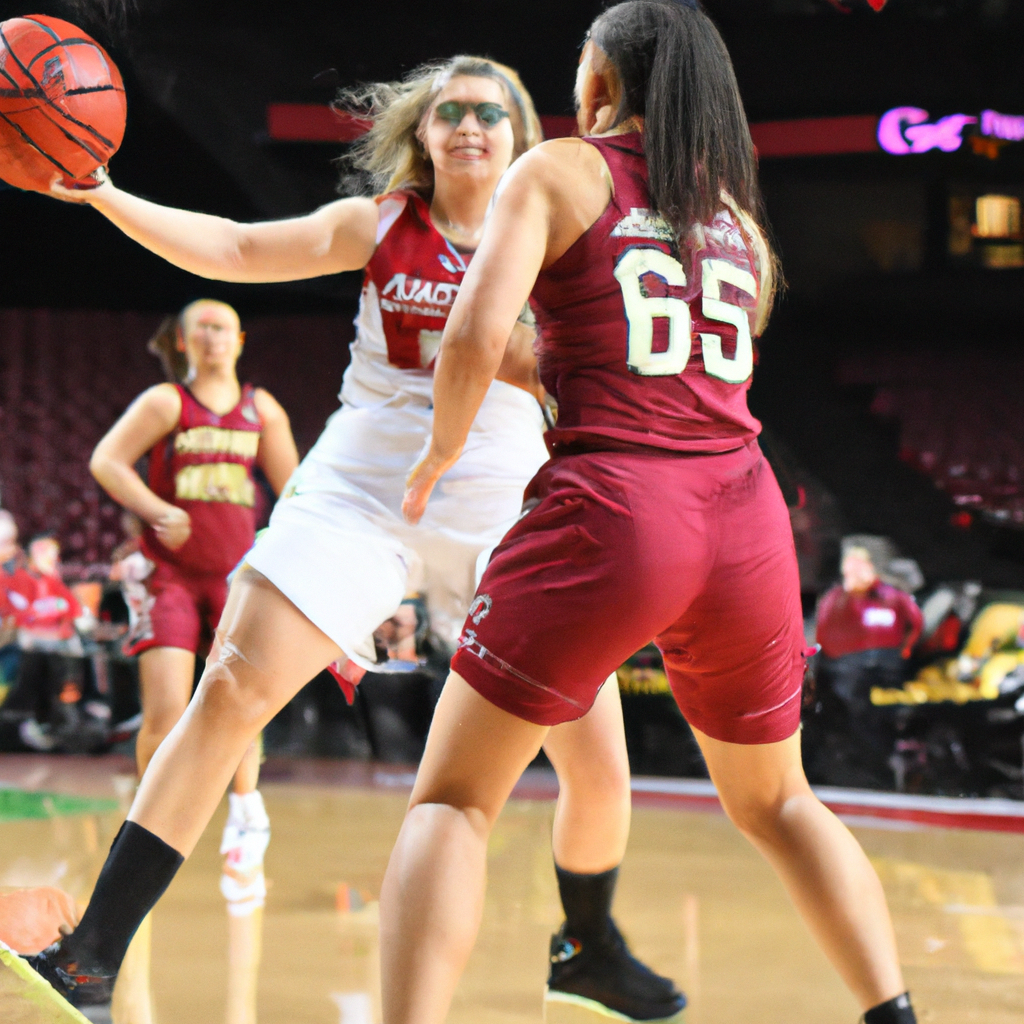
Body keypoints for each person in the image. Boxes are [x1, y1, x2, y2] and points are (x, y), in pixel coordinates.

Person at [28, 52, 683, 1024]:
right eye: (449, 109)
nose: (468, 123)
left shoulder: (563, 237)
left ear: (520, 134)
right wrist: (106, 194)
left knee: (595, 759)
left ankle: (586, 945)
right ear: (421, 131)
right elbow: (236, 249)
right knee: (229, 693)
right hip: (366, 487)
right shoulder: (381, 225)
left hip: (509, 496)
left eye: (489, 109)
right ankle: (90, 957)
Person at [384, 3, 915, 1023]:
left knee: (454, 799)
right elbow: (660, 356)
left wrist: (443, 449)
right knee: (780, 800)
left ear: (599, 82)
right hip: (745, 513)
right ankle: (893, 1013)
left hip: (620, 507)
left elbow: (467, 337)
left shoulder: (557, 169)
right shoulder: (734, 218)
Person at [90, 298, 299, 923]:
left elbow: (294, 491)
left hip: (237, 576)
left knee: (238, 707)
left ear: (239, 339)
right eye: (200, 327)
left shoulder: (261, 408)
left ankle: (243, 826)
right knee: (165, 712)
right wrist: (155, 510)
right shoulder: (165, 404)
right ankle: (146, 838)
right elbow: (106, 460)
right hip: (170, 575)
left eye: (222, 325)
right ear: (182, 341)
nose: (212, 335)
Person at [814, 542, 924, 781]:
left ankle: (892, 756)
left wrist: (905, 652)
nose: (855, 571)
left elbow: (915, 624)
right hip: (848, 666)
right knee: (855, 712)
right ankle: (872, 761)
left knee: (884, 712)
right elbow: (824, 629)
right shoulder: (836, 597)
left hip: (888, 665)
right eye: (850, 565)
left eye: (861, 565)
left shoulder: (892, 596)